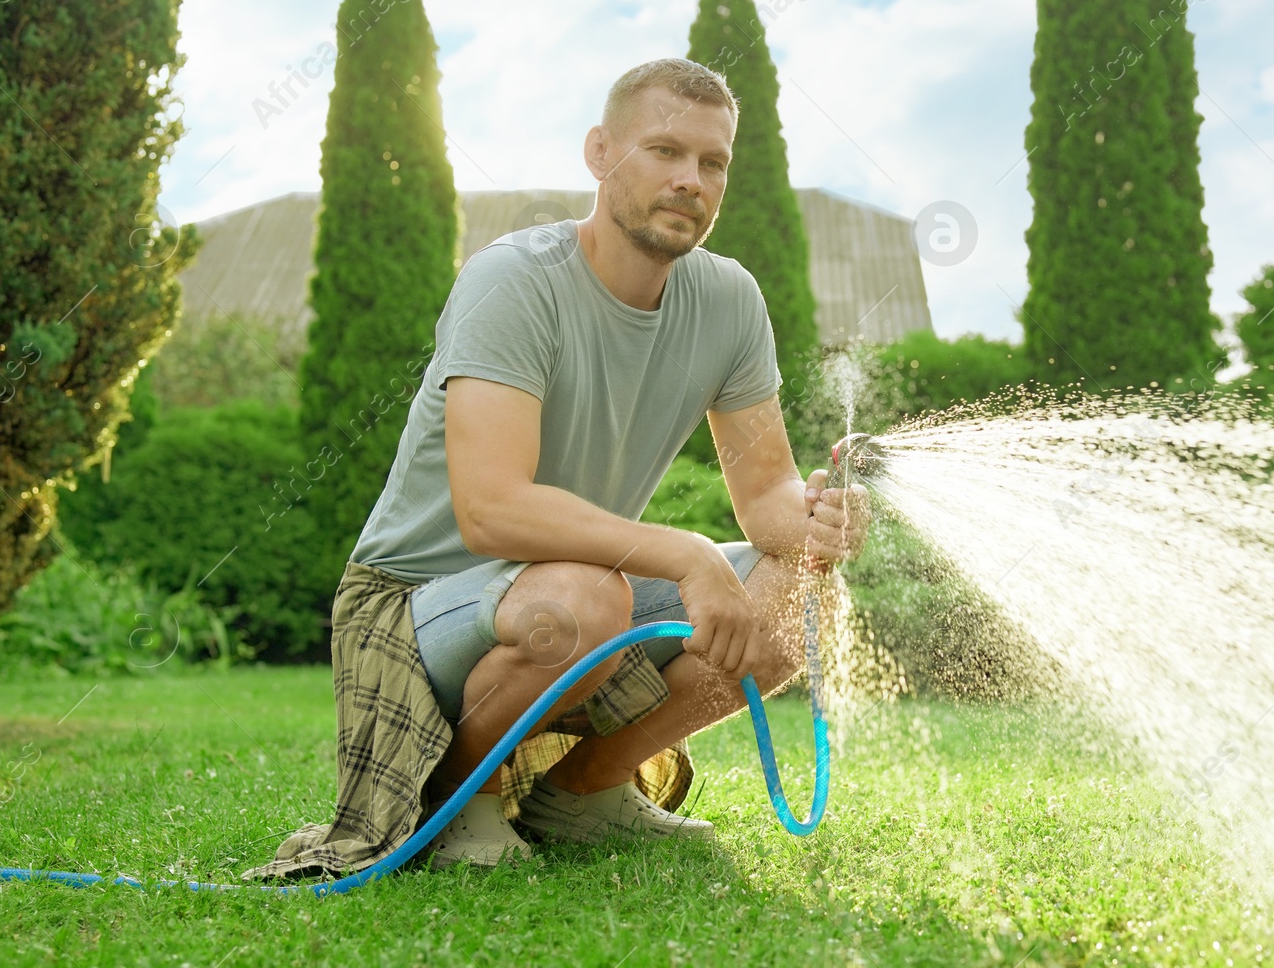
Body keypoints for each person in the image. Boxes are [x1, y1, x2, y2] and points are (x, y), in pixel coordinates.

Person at [243, 58, 869, 880]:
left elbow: (767, 497)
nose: (690, 179)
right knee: (581, 601)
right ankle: (456, 800)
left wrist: (816, 518)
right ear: (601, 152)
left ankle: (583, 794)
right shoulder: (514, 281)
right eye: (664, 151)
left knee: (796, 594)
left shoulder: (730, 301)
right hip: (411, 597)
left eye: (712, 162)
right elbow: (492, 512)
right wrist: (688, 554)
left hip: (574, 581)